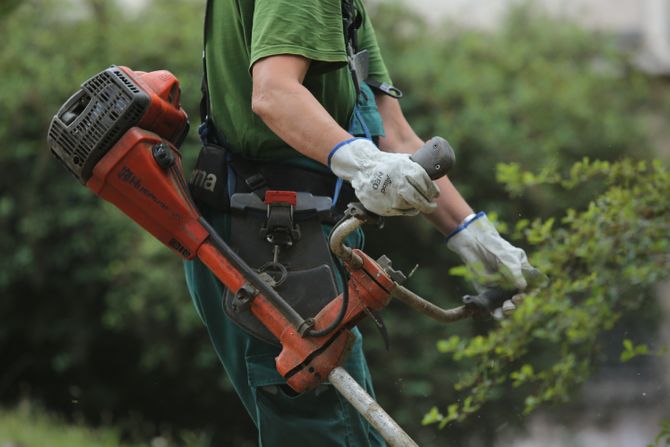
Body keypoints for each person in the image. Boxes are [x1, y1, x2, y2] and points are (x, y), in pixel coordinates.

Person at [184, 0, 545, 445]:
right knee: (333, 431)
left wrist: (473, 236)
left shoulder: (345, 6)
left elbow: (391, 133)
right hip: (268, 244)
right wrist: (361, 163)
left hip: (286, 237)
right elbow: (274, 94)